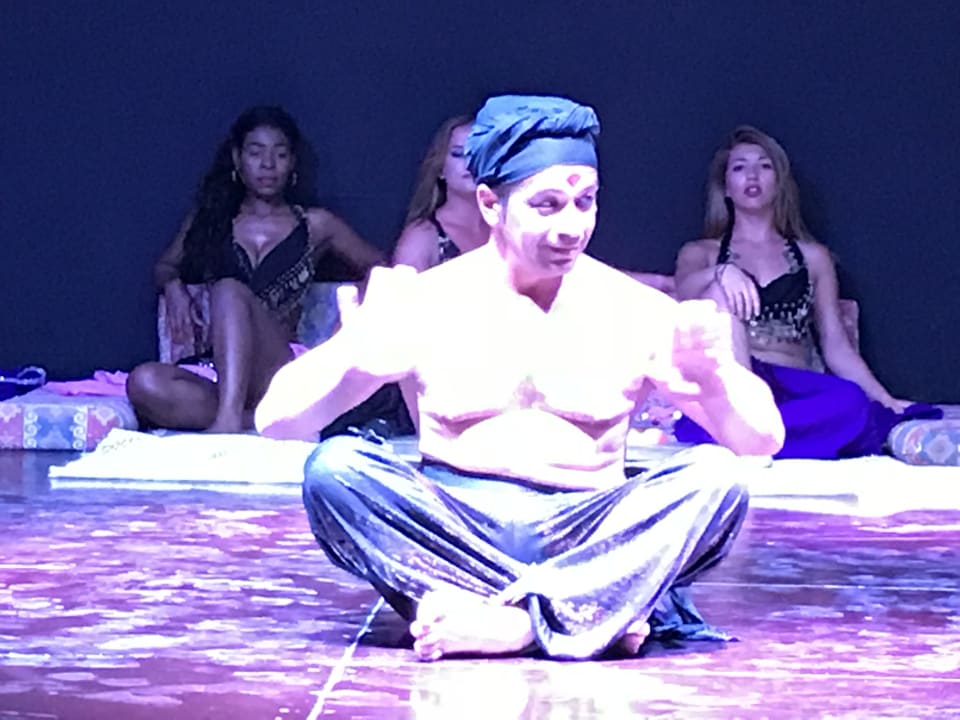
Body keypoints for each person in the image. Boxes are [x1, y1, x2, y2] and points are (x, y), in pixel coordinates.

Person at [255, 95, 784, 662]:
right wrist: (353, 359)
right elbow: (276, 420)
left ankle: (518, 624)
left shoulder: (632, 308)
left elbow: (761, 440)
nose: (571, 226)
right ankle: (592, 612)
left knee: (716, 478)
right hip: (455, 532)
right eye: (547, 205)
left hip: (590, 531)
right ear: (490, 204)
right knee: (336, 469)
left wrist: (715, 382)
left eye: (585, 202)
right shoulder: (427, 301)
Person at [672, 125, 940, 459]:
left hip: (793, 387)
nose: (752, 176)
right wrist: (722, 273)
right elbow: (684, 290)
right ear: (726, 186)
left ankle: (749, 439)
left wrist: (886, 400)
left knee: (851, 402)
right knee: (716, 293)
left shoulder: (813, 257)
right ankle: (746, 425)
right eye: (740, 168)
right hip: (736, 387)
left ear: (779, 182)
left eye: (764, 166)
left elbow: (835, 344)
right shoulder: (702, 253)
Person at [126, 106, 385, 433]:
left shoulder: (315, 224)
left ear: (292, 163)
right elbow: (165, 266)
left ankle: (228, 423)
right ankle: (257, 421)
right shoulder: (213, 219)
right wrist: (173, 286)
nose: (268, 164)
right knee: (144, 381)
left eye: (280, 154)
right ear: (237, 159)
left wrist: (355, 312)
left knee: (228, 290)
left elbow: (380, 266)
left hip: (278, 369)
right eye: (255, 152)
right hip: (220, 371)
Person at [392, 115, 490, 270]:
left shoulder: (508, 224)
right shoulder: (422, 238)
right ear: (440, 167)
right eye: (458, 154)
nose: (470, 163)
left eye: (479, 153)